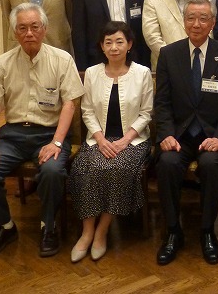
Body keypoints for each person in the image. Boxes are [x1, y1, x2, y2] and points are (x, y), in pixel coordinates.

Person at [0, 3, 82, 258]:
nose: (29, 33)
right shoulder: (2, 63)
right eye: (22, 28)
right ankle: (4, 226)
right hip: (13, 136)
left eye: (35, 27)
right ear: (15, 33)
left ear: (44, 29)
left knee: (53, 171)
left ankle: (48, 226)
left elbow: (70, 104)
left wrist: (57, 143)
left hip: (49, 135)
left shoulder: (62, 60)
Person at [153, 0, 218, 266]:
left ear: (212, 23)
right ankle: (173, 231)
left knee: (211, 165)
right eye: (191, 18)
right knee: (167, 164)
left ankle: (207, 231)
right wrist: (166, 134)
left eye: (203, 18)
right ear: (184, 22)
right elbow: (162, 102)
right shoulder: (169, 54)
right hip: (178, 135)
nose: (196, 24)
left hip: (212, 135)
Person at [68, 22, 153, 262]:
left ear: (129, 45)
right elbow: (87, 111)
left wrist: (125, 140)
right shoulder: (92, 73)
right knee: (86, 167)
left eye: (119, 42)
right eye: (108, 42)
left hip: (133, 141)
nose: (114, 47)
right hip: (98, 139)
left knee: (116, 168)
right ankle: (87, 232)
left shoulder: (142, 73)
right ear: (102, 47)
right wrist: (100, 139)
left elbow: (146, 113)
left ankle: (102, 231)